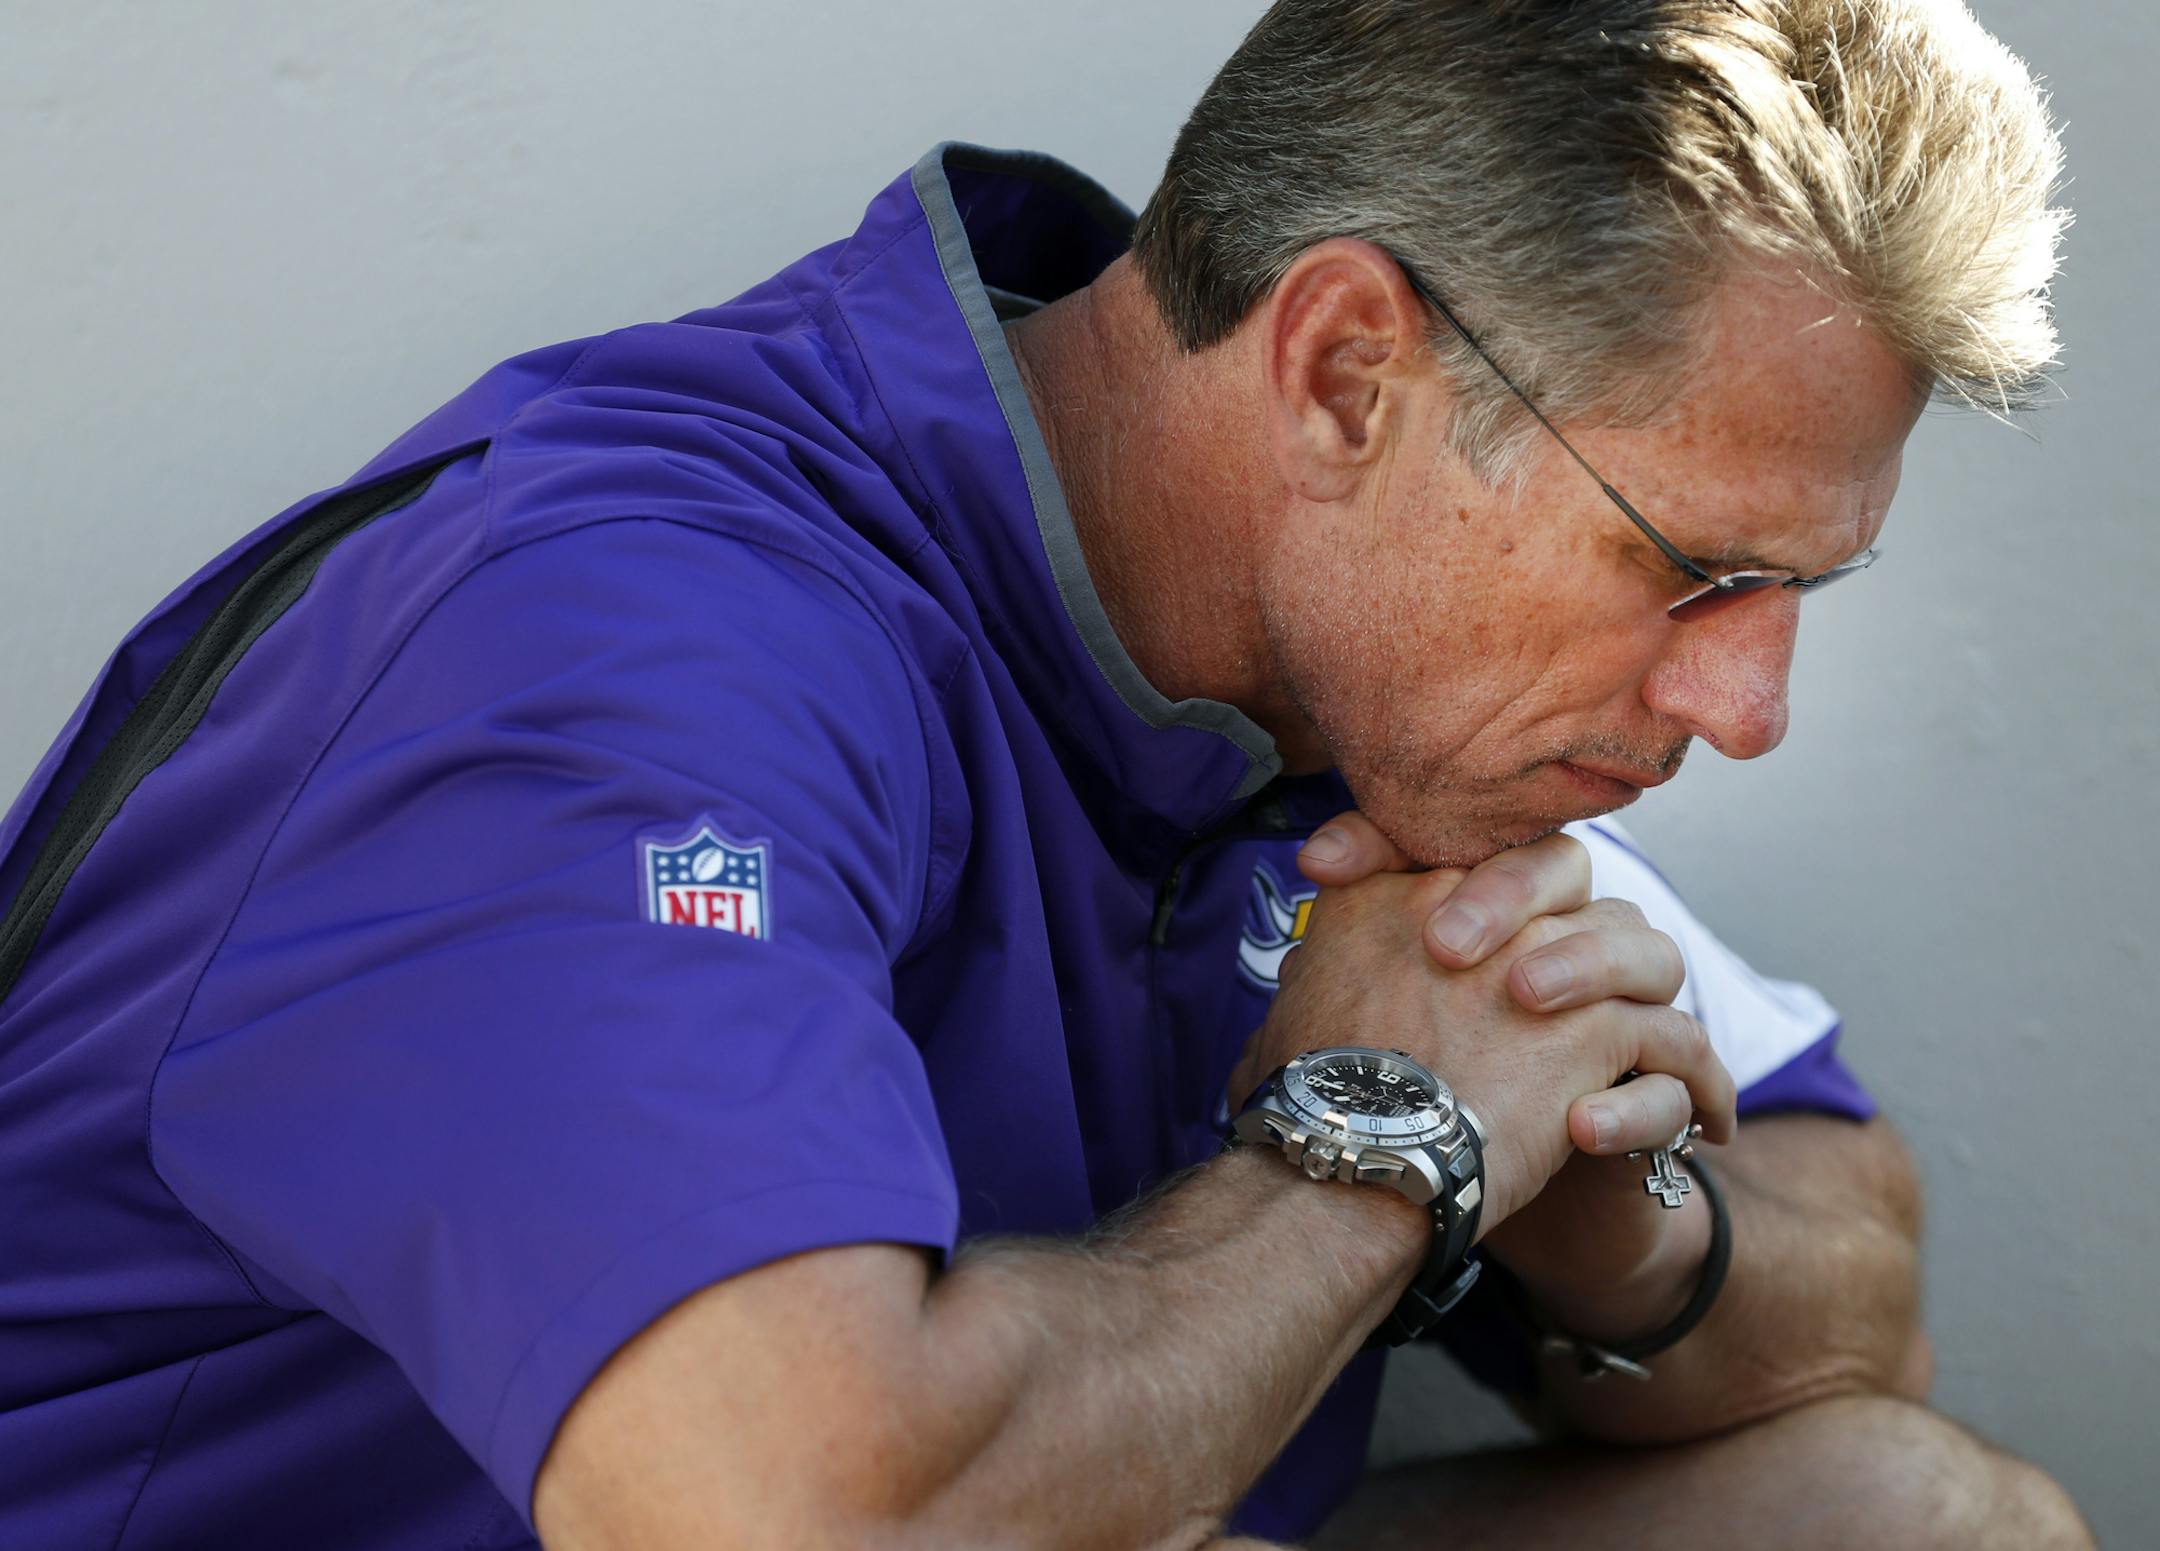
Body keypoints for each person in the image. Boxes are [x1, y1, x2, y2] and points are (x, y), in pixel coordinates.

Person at [0, 2, 2090, 1547]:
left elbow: (1855, 1272)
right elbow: (790, 1509)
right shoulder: (612, 648)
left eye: (1793, 592)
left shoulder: (1367, 693)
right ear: (1350, 371)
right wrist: (1386, 1145)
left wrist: (1602, 1209)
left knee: (1899, 1511)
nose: (1748, 705)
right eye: (1697, 569)